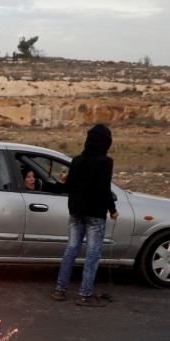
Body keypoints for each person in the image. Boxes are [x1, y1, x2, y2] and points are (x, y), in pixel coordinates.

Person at [51, 123, 118, 306]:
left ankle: (60, 290)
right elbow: (104, 189)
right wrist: (112, 210)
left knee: (71, 250)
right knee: (93, 254)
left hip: (76, 212)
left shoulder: (77, 160)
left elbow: (69, 185)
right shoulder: (106, 162)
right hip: (95, 215)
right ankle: (85, 294)